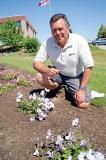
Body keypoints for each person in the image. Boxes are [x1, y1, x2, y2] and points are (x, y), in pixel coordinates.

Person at [33, 13, 94, 109]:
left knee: (83, 104)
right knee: (39, 76)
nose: (57, 33)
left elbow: (89, 66)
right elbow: (36, 63)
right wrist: (47, 70)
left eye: (60, 29)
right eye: (54, 30)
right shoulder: (47, 42)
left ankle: (78, 88)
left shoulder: (79, 40)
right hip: (58, 74)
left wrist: (81, 89)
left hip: (75, 76)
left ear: (67, 27)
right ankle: (60, 90)